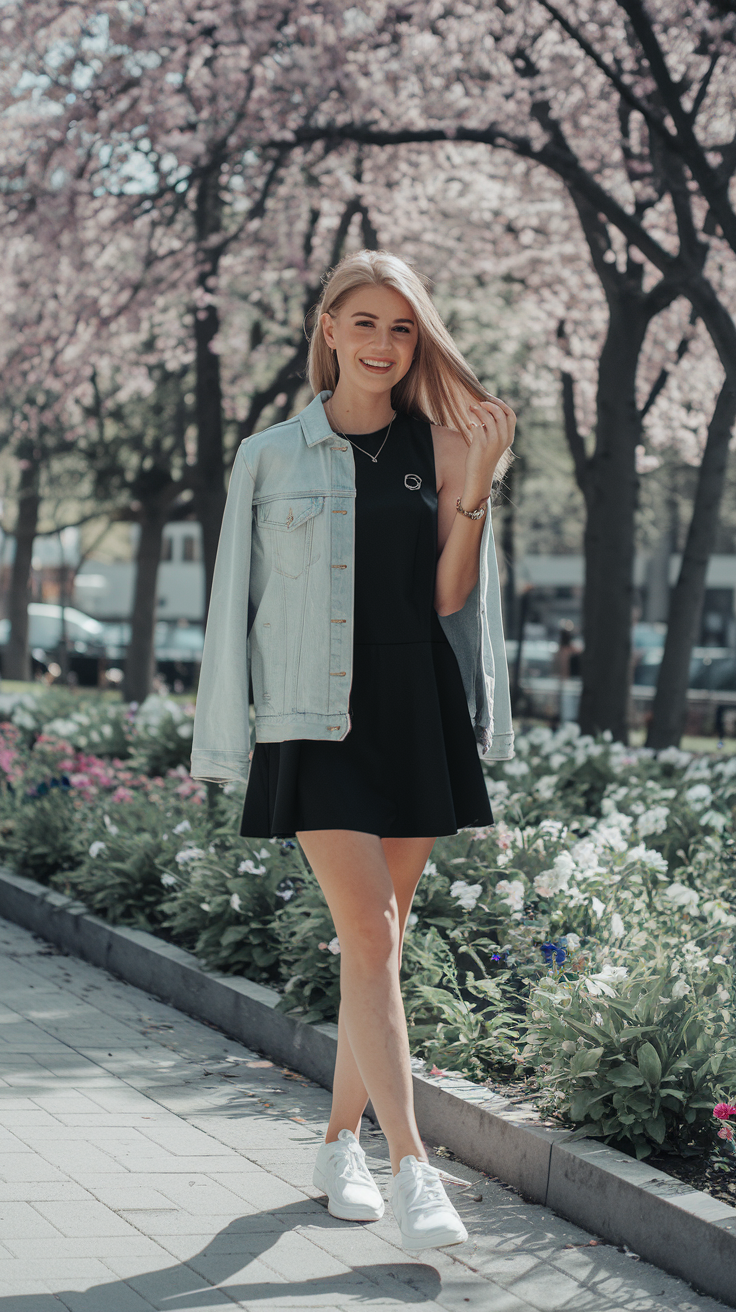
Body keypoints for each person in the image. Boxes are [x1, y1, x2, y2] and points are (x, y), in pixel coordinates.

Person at [191, 250, 515, 1252]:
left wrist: (477, 486)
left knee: (380, 945)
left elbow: (449, 596)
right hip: (311, 716)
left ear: (419, 340)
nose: (383, 344)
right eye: (365, 322)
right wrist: (224, 740)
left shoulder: (444, 447)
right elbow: (232, 605)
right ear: (328, 328)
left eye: (402, 327)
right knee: (371, 936)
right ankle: (415, 1169)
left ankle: (337, 1142)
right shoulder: (268, 456)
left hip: (414, 707)